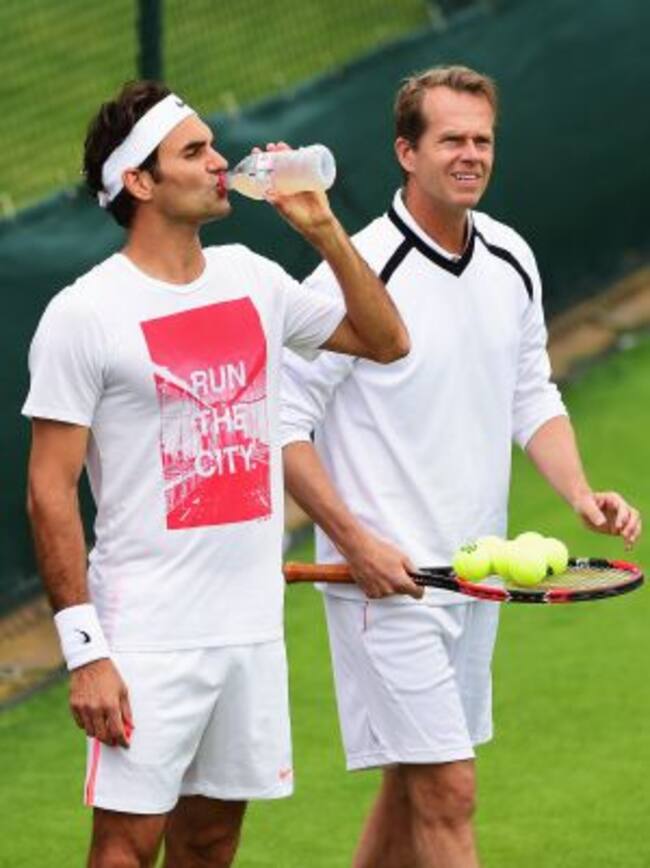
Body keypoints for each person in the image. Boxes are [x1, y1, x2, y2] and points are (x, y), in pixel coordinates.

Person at [23, 79, 409, 868]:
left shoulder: (254, 277)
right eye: (193, 152)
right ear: (139, 181)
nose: (218, 162)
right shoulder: (84, 312)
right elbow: (47, 490)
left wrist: (325, 230)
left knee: (211, 841)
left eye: (210, 146)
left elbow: (385, 339)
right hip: (146, 636)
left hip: (250, 625)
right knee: (125, 847)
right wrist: (86, 651)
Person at [281, 65, 642, 868]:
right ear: (407, 152)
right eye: (452, 140)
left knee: (413, 788)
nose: (471, 155)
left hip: (477, 576)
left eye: (483, 140)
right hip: (383, 580)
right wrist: (354, 543)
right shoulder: (354, 271)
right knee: (449, 789)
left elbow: (530, 391)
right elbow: (283, 428)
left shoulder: (510, 255)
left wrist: (581, 492)